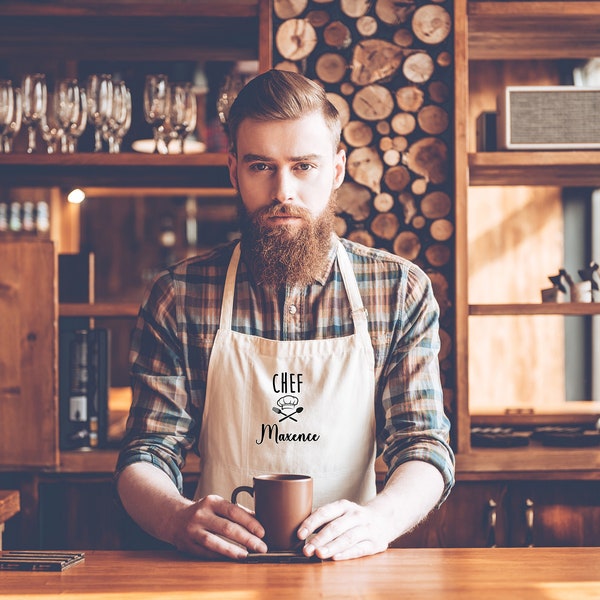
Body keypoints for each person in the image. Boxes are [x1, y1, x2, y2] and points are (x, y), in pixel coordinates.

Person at [116, 69, 455, 562]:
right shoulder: (179, 295)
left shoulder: (398, 290)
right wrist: (175, 518)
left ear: (337, 169)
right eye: (261, 167)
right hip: (220, 570)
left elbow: (424, 444)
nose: (283, 191)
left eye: (303, 166)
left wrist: (378, 523)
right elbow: (146, 452)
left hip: (350, 572)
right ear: (233, 170)